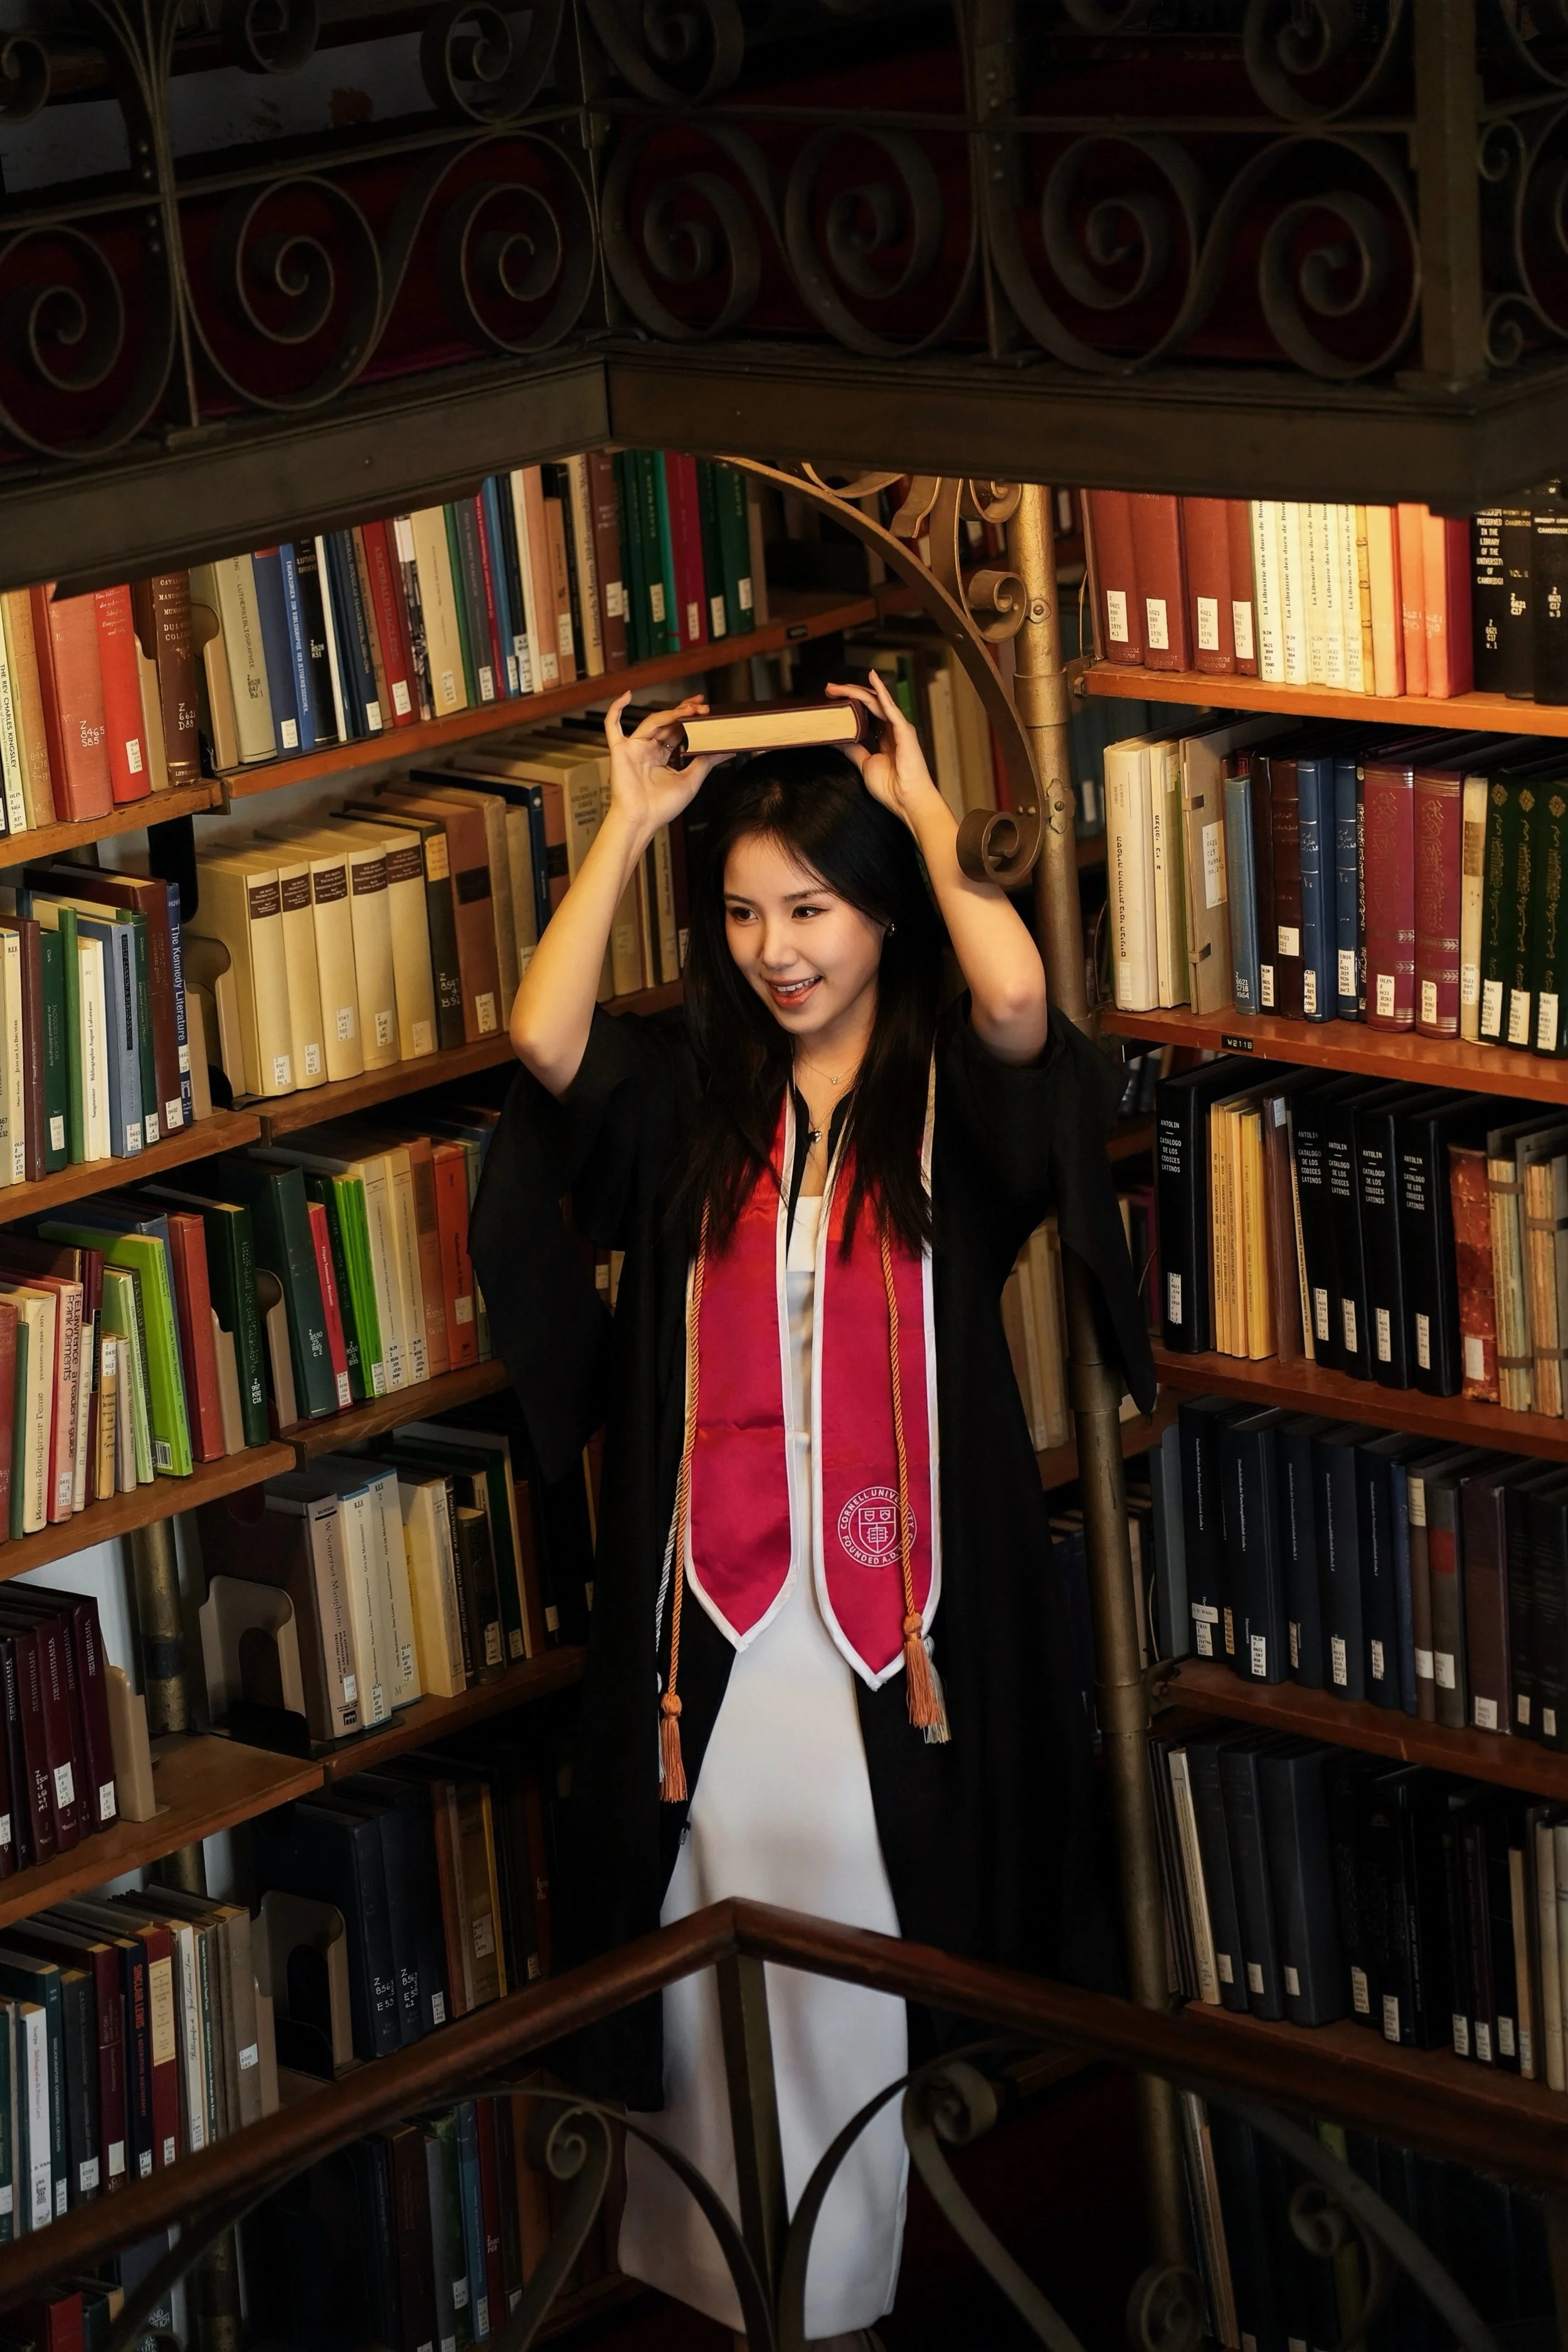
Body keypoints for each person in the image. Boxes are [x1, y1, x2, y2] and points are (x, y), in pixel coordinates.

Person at [470, 672, 1155, 2348]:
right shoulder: (691, 1107)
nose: (777, 946)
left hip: (883, 1626)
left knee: (851, 1970)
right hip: (709, 1623)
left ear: (879, 914)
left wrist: (929, 822)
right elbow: (542, 1041)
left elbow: (1015, 1011)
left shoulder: (945, 1114)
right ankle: (721, 2293)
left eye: (815, 908)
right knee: (702, 1957)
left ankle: (832, 2304)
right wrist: (629, 821)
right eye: (745, 913)